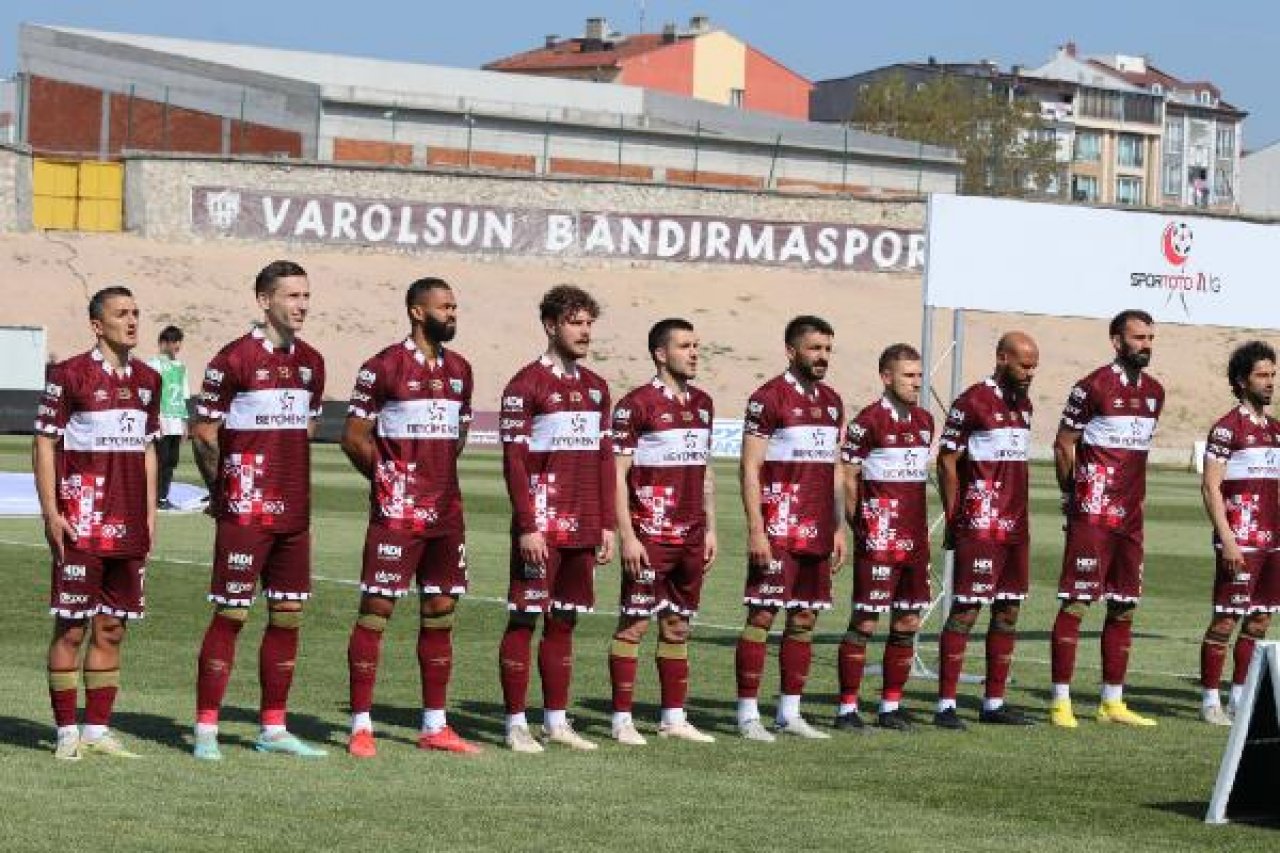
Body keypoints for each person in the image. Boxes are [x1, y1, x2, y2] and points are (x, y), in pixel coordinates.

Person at [190, 260, 327, 759]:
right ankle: (206, 730)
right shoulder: (232, 359)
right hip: (246, 511)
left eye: (306, 296)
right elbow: (204, 434)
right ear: (264, 300)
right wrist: (222, 492)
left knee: (287, 615)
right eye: (292, 296)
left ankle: (273, 728)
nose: (302, 305)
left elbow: (307, 430)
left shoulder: (312, 362)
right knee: (232, 614)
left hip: (294, 513)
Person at [340, 277, 480, 756]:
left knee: (440, 611)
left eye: (455, 306)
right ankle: (361, 725)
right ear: (418, 312)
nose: (452, 314)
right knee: (377, 610)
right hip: (397, 515)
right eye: (444, 307)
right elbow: (353, 437)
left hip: (446, 513)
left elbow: (458, 437)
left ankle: (435, 725)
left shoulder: (461, 370)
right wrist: (390, 482)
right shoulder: (382, 367)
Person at [34, 285, 161, 759]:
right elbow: (44, 442)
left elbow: (148, 449)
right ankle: (66, 732)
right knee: (71, 627)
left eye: (136, 312)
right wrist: (51, 513)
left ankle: (97, 730)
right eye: (121, 313)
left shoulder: (149, 379)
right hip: (81, 523)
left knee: (112, 628)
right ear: (96, 325)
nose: (132, 321)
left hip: (128, 525)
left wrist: (149, 514)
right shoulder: (69, 374)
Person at [497, 285, 616, 752]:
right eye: (575, 323)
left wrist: (606, 523)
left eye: (589, 323)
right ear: (551, 326)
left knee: (565, 621)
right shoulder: (525, 385)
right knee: (525, 619)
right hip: (542, 528)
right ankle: (515, 724)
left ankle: (556, 721)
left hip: (583, 525)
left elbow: (604, 460)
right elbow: (514, 461)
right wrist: (527, 525)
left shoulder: (597, 388)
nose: (585, 332)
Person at [1049, 309, 1164, 728]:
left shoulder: (1155, 392)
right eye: (1138, 337)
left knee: (1124, 606)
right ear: (1117, 341)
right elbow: (1064, 444)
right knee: (1078, 601)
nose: (1146, 345)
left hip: (1131, 517)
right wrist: (1071, 497)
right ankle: (1060, 701)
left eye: (1150, 338)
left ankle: (1112, 701)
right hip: (1094, 512)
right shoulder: (1091, 386)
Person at [607, 318, 718, 746]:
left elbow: (706, 470)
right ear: (660, 353)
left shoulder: (703, 404)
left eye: (696, 345)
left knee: (678, 626)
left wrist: (710, 527)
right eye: (684, 346)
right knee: (634, 624)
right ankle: (621, 720)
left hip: (692, 535)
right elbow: (617, 475)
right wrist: (628, 535)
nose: (694, 353)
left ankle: (674, 717)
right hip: (650, 534)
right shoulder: (635, 405)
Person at [735, 315, 845, 741]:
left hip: (818, 529)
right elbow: (750, 467)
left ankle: (789, 712)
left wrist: (838, 527)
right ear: (791, 350)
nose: (823, 357)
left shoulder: (832, 401)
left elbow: (835, 469)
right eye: (815, 348)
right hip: (778, 528)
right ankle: (747, 714)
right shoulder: (767, 398)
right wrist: (756, 529)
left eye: (828, 349)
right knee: (762, 614)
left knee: (804, 618)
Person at [934, 333, 1040, 730]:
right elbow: (947, 461)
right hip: (980, 523)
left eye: (1034, 366)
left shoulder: (1024, 405)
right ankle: (945, 704)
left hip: (1016, 526)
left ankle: (994, 702)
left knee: (1009, 610)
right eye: (1024, 365)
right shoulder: (971, 402)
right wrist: (954, 515)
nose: (1030, 373)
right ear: (1001, 358)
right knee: (966, 609)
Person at [836, 344, 933, 732]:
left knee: (908, 621)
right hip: (879, 539)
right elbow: (847, 478)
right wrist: (861, 526)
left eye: (919, 375)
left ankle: (890, 706)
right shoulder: (868, 421)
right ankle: (847, 708)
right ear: (886, 377)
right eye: (909, 375)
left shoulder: (925, 421)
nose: (916, 382)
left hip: (915, 540)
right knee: (865, 621)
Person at [1198, 341, 1279, 725]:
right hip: (1240, 539)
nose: (1270, 382)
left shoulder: (1275, 431)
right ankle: (1210, 701)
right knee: (1226, 619)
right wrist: (1227, 538)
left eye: (1273, 375)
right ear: (1242, 380)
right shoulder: (1227, 429)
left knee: (1260, 620)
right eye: (1262, 375)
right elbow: (1210, 486)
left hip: (1272, 541)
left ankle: (1240, 698)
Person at [147, 325, 189, 510]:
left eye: (179, 341)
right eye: (173, 341)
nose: (177, 345)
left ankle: (163, 497)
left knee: (171, 462)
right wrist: (155, 420)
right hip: (162, 420)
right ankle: (153, 498)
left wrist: (185, 423)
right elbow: (151, 394)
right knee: (159, 461)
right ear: (163, 343)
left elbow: (183, 396)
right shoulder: (154, 364)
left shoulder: (181, 367)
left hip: (176, 422)